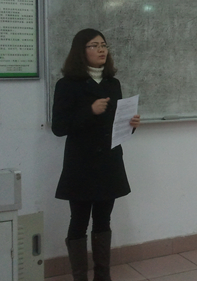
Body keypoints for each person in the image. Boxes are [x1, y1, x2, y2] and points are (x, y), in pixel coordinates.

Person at [51, 28, 141, 281]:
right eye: (94, 45)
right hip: (81, 164)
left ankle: (103, 276)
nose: (101, 50)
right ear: (81, 51)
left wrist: (130, 125)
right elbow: (59, 127)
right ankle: (80, 277)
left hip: (108, 163)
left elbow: (115, 126)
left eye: (104, 45)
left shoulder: (113, 84)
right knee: (79, 221)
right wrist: (89, 111)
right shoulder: (67, 85)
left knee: (103, 221)